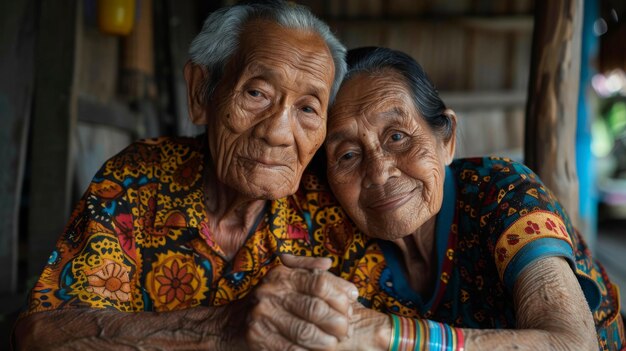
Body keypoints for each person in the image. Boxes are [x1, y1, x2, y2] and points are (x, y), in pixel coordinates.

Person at [14, 2, 361, 350]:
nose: (279, 133)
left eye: (307, 108)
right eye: (257, 93)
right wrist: (221, 327)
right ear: (200, 92)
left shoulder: (334, 211)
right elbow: (40, 335)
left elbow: (406, 326)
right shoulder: (139, 179)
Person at [317, 47, 624, 350]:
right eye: (347, 155)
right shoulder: (331, 228)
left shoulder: (505, 194)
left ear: (446, 140)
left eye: (397, 137)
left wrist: (391, 335)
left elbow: (572, 344)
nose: (379, 172)